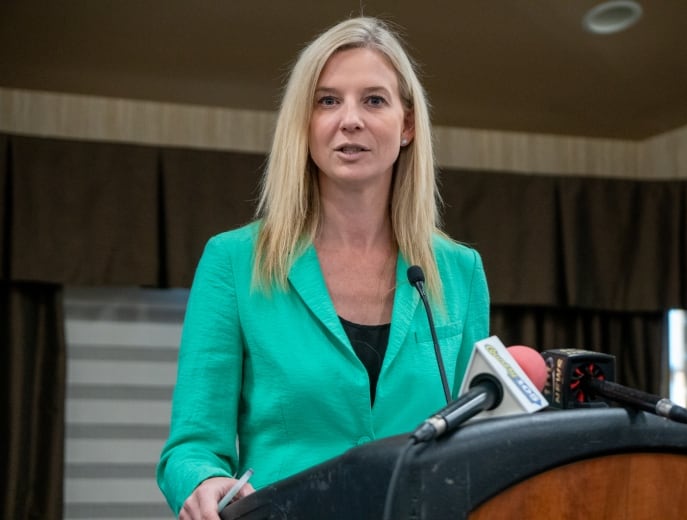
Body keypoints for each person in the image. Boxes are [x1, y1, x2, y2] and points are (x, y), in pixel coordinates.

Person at [156, 16, 490, 519]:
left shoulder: (460, 271)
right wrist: (203, 480)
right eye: (327, 100)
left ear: (407, 125)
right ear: (305, 125)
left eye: (374, 100)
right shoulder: (233, 261)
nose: (349, 119)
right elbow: (190, 448)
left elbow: (480, 441)